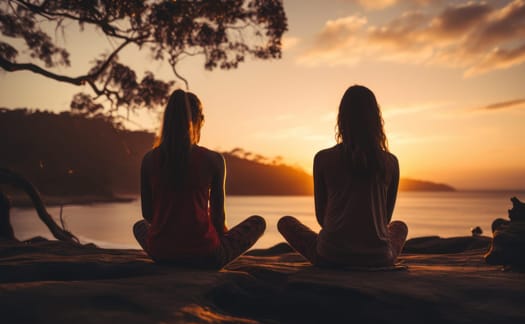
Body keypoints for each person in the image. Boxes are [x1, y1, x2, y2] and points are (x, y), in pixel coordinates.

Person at [133, 89, 265, 268]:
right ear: (199, 120)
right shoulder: (213, 160)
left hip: (162, 254)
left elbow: (148, 214)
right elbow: (218, 218)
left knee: (139, 226)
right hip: (205, 256)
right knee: (258, 222)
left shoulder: (149, 160)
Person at [277, 85, 407, 267]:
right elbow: (385, 220)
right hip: (378, 258)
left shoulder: (322, 158)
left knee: (286, 223)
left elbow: (322, 218)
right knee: (400, 227)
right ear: (376, 119)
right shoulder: (391, 162)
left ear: (342, 118)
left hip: (331, 257)